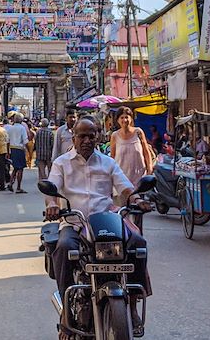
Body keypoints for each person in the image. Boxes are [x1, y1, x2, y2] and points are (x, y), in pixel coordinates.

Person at [45, 118, 151, 337]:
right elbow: (52, 188)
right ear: (73, 137)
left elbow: (125, 187)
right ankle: (66, 311)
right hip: (75, 224)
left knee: (138, 244)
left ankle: (131, 304)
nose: (86, 140)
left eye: (91, 136)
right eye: (82, 136)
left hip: (106, 222)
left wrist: (137, 199)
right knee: (64, 248)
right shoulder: (61, 163)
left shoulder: (107, 162)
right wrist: (53, 205)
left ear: (98, 137)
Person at [110, 106, 153, 188]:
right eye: (122, 118)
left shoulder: (138, 132)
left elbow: (146, 152)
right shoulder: (114, 136)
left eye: (127, 117)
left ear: (131, 119)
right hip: (121, 179)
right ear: (118, 120)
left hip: (139, 177)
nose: (124, 120)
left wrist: (149, 169)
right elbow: (112, 157)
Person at [6, 113, 29, 193]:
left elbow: (7, 141)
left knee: (15, 168)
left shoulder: (10, 128)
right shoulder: (22, 128)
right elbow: (25, 141)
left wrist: (8, 152)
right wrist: (29, 151)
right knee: (20, 169)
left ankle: (11, 183)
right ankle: (18, 187)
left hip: (12, 149)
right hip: (19, 149)